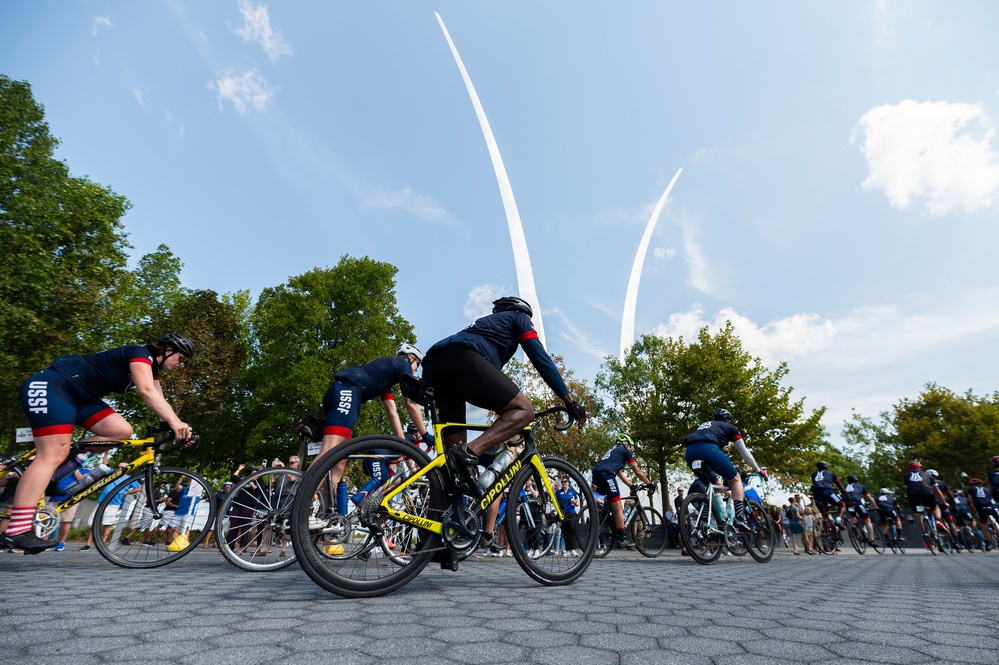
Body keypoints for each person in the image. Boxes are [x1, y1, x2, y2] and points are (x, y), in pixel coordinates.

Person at [420, 296, 586, 555]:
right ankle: (471, 451)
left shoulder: (485, 326)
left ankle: (432, 543)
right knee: (523, 410)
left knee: (450, 470)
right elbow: (540, 358)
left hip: (434, 364)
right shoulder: (518, 319)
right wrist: (568, 398)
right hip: (463, 360)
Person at [3, 333, 195, 553]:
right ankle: (15, 531)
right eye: (180, 359)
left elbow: (160, 402)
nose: (180, 365)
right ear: (167, 350)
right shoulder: (140, 354)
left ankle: (60, 468)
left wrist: (180, 428)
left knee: (120, 431)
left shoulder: (153, 370)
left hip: (79, 397)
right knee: (51, 454)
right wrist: (174, 422)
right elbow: (146, 391)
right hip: (52, 387)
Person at [318, 343, 432, 483]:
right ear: (411, 358)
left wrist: (404, 446)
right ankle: (300, 499)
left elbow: (392, 413)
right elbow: (410, 404)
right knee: (329, 450)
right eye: (417, 365)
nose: (415, 371)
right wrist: (425, 434)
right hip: (348, 391)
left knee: (340, 458)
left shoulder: (386, 378)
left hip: (342, 392)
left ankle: (328, 502)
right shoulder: (404, 365)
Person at [683, 408, 765, 533]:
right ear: (728, 421)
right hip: (708, 449)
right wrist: (758, 470)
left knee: (713, 485)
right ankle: (739, 519)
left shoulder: (705, 426)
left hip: (689, 452)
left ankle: (706, 522)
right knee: (736, 479)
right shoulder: (730, 428)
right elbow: (745, 453)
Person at [591, 434, 657, 549]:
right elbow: (637, 471)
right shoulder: (625, 452)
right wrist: (649, 483)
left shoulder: (613, 452)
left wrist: (631, 485)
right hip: (606, 475)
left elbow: (619, 473)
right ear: (626, 444)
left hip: (596, 475)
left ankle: (607, 517)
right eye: (630, 446)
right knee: (618, 507)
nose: (630, 448)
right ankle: (621, 538)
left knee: (612, 504)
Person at [903, 461, 948, 549]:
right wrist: (944, 502)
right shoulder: (928, 475)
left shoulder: (906, 476)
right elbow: (937, 491)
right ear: (921, 468)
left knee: (917, 514)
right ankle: (938, 520)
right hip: (927, 494)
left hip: (913, 496)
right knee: (935, 507)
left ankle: (925, 536)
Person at [809, 461, 847, 531]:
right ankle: (838, 521)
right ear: (826, 466)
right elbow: (841, 487)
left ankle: (828, 532)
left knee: (824, 514)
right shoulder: (831, 473)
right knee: (842, 505)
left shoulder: (813, 474)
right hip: (828, 492)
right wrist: (848, 497)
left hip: (816, 495)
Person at [842, 474, 878, 543]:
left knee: (853, 516)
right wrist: (876, 507)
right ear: (856, 481)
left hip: (846, 504)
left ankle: (853, 530)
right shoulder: (861, 486)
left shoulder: (844, 486)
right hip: (857, 503)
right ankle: (871, 539)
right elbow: (870, 499)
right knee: (867, 520)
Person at [554, 475, 580, 557]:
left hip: (571, 512)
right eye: (562, 482)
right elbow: (556, 503)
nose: (564, 483)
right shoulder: (558, 492)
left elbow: (577, 502)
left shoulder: (572, 492)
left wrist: (576, 503)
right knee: (565, 531)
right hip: (563, 513)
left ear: (568, 483)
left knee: (572, 529)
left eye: (565, 482)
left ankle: (573, 549)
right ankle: (568, 549)